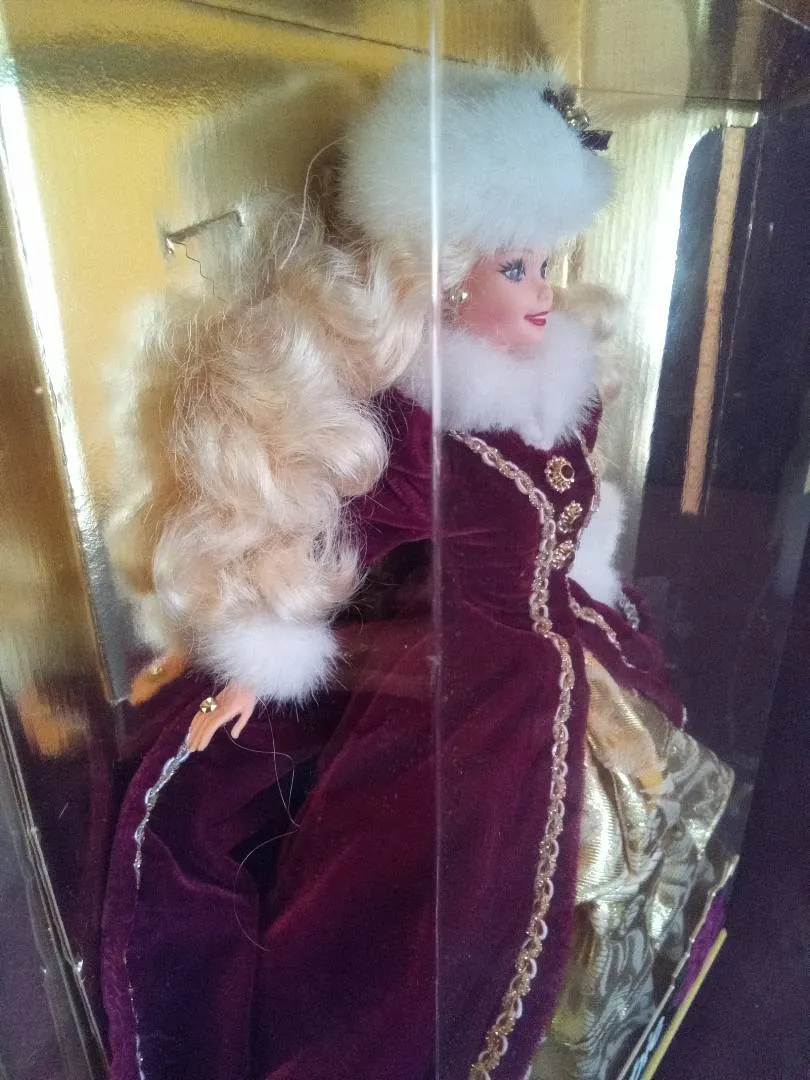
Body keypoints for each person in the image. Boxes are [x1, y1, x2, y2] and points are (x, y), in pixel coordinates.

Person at [102, 60, 732, 1080]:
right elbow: (328, 537)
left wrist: (601, 592)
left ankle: (588, 1025)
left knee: (603, 864)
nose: (546, 288)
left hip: (567, 661)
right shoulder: (424, 429)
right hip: (467, 702)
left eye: (546, 262)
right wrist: (258, 662)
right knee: (453, 912)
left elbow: (575, 524)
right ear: (440, 273)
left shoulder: (557, 397)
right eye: (516, 267)